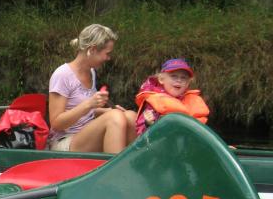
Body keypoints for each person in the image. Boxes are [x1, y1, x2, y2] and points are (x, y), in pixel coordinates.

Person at [48, 24, 136, 153]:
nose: (108, 58)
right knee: (114, 118)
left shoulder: (91, 72)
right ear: (93, 49)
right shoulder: (62, 75)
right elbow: (56, 123)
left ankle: (133, 162)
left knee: (130, 116)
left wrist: (106, 110)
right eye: (107, 53)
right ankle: (116, 166)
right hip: (64, 142)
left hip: (86, 134)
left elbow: (86, 114)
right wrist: (89, 104)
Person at [135, 58, 209, 136]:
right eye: (174, 76)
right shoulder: (154, 101)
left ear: (187, 83)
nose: (179, 80)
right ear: (161, 79)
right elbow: (140, 132)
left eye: (183, 78)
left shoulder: (191, 101)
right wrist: (148, 123)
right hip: (160, 139)